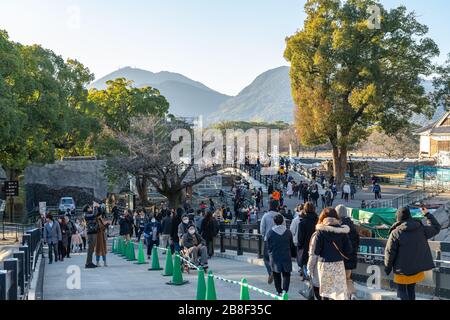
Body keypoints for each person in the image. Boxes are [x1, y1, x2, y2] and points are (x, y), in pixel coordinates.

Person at [384, 207, 440, 300]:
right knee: (411, 290)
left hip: (401, 269)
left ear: (398, 218)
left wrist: (387, 268)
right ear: (410, 216)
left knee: (401, 291)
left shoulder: (396, 232)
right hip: (416, 268)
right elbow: (436, 227)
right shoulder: (420, 228)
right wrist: (427, 214)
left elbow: (389, 252)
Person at [308, 207, 352, 300]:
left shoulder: (320, 232)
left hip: (324, 265)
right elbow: (349, 250)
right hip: (338, 264)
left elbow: (315, 252)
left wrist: (310, 268)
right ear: (336, 217)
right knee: (338, 293)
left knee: (326, 292)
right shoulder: (343, 232)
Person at [267, 214, 295, 296]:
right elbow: (291, 244)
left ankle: (278, 291)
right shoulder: (288, 232)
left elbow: (269, 247)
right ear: (283, 221)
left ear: (274, 222)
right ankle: (285, 291)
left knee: (276, 274)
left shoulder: (270, 232)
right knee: (286, 274)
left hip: (275, 256)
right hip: (286, 255)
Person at [336, 204, 360, 300]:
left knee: (340, 280)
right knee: (348, 278)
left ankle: (344, 296)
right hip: (351, 257)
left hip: (340, 257)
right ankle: (351, 294)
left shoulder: (339, 226)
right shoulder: (352, 226)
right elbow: (357, 242)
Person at [259, 200, 279, 284]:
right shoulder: (279, 215)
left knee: (266, 258)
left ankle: (271, 272)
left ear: (269, 206)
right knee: (276, 258)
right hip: (278, 240)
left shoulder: (265, 216)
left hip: (268, 239)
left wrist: (264, 235)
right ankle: (277, 273)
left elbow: (262, 229)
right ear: (277, 206)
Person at [297, 202, 318, 279]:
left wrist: (299, 247)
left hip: (305, 247)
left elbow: (300, 239)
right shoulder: (318, 221)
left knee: (305, 265)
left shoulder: (302, 223)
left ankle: (308, 279)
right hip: (317, 247)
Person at [84, 204, 99, 268]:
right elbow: (94, 214)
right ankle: (88, 263)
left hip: (93, 232)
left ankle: (90, 262)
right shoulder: (86, 215)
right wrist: (95, 206)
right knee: (90, 249)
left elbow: (97, 213)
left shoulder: (89, 214)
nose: (91, 208)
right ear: (87, 209)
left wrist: (97, 207)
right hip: (91, 233)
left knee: (92, 249)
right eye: (90, 207)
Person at [290, 204, 304, 271]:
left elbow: (292, 231)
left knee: (298, 254)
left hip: (296, 240)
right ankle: (303, 268)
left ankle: (300, 267)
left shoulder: (295, 220)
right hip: (305, 240)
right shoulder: (306, 219)